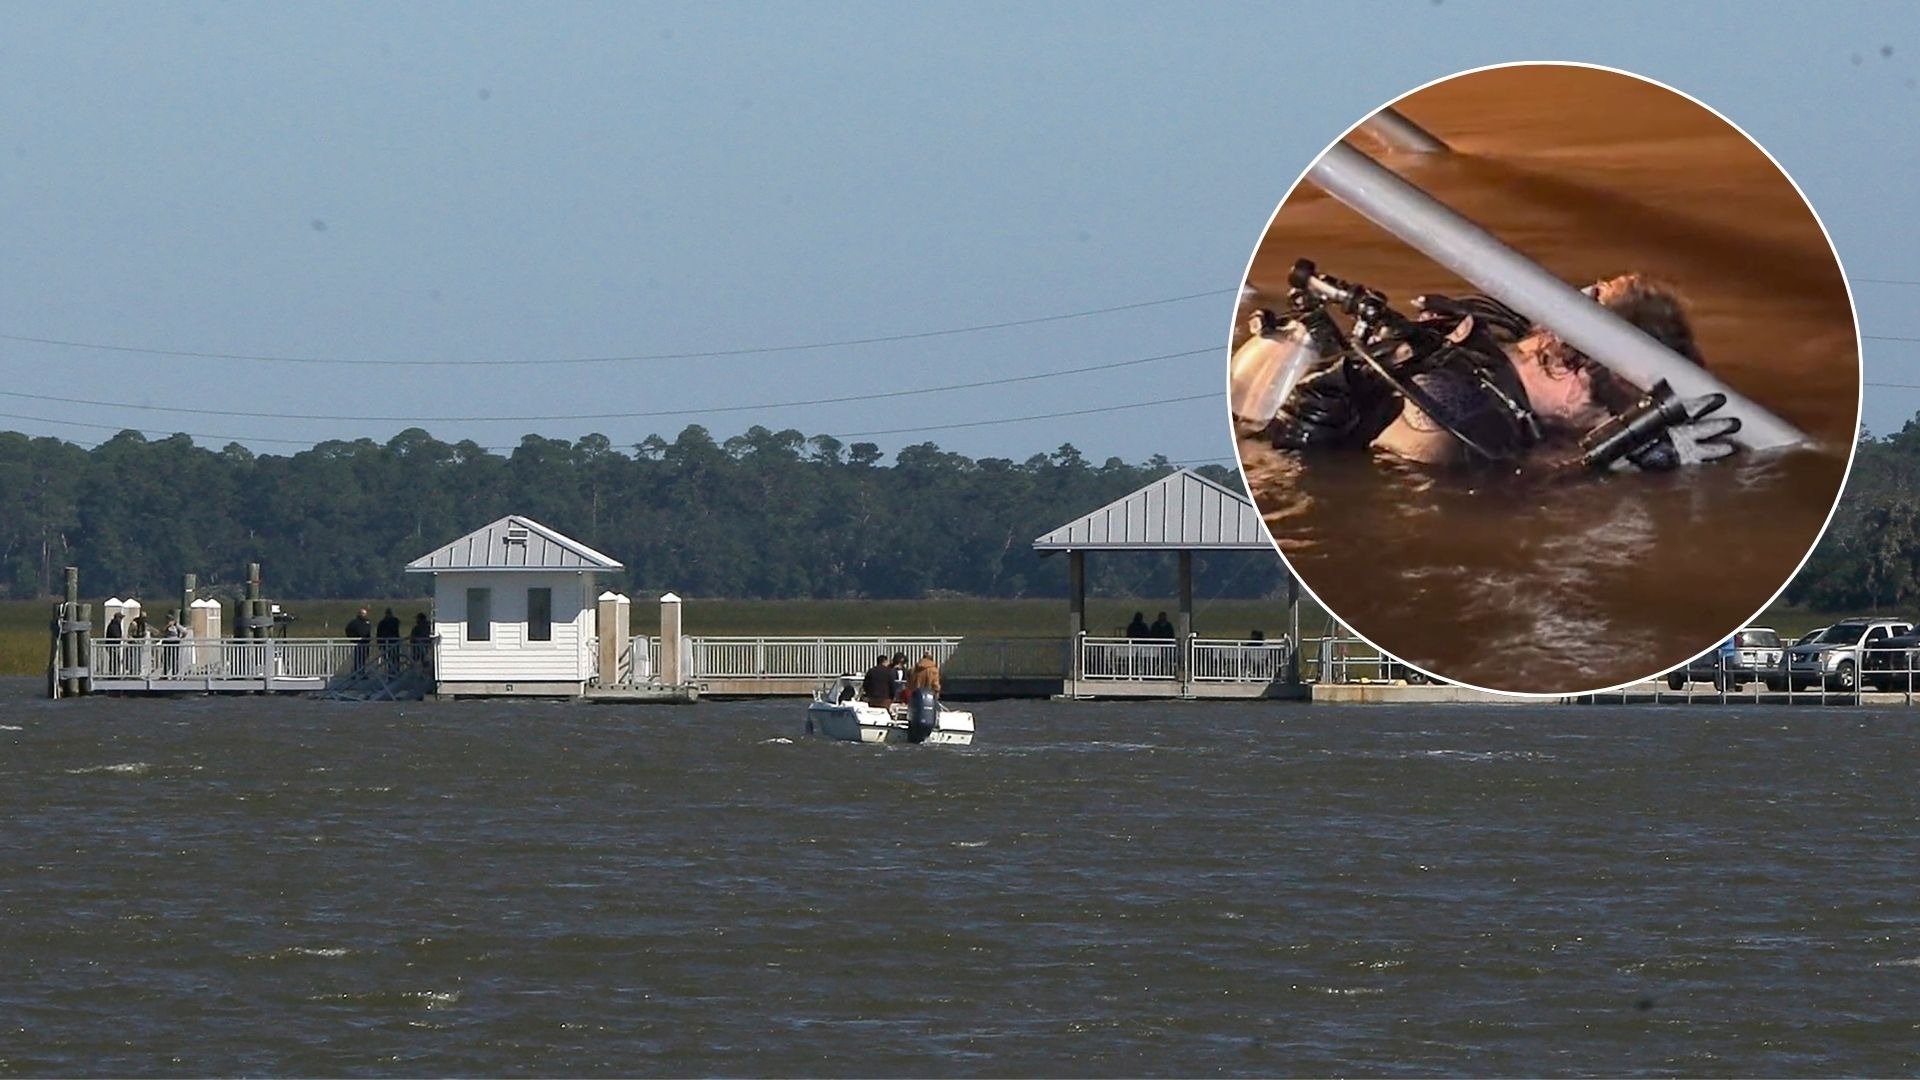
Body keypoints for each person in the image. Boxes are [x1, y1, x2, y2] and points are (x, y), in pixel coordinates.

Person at [1253, 271, 1737, 472]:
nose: (1609, 423)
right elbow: (1421, 506)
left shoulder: (1481, 354)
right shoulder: (1458, 412)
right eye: (1614, 413)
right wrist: (1607, 464)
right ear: (1579, 381)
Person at [907, 651, 943, 743]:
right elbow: (935, 684)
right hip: (929, 697)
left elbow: (909, 684)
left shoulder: (914, 669)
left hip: (916, 697)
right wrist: (937, 692)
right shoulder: (933, 670)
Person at [346, 606, 372, 672]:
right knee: (357, 659)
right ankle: (355, 672)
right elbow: (348, 630)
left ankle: (362, 671)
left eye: (365, 614)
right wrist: (352, 638)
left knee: (364, 659)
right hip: (357, 644)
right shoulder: (354, 622)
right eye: (363, 613)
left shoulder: (367, 622)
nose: (364, 615)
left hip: (365, 644)